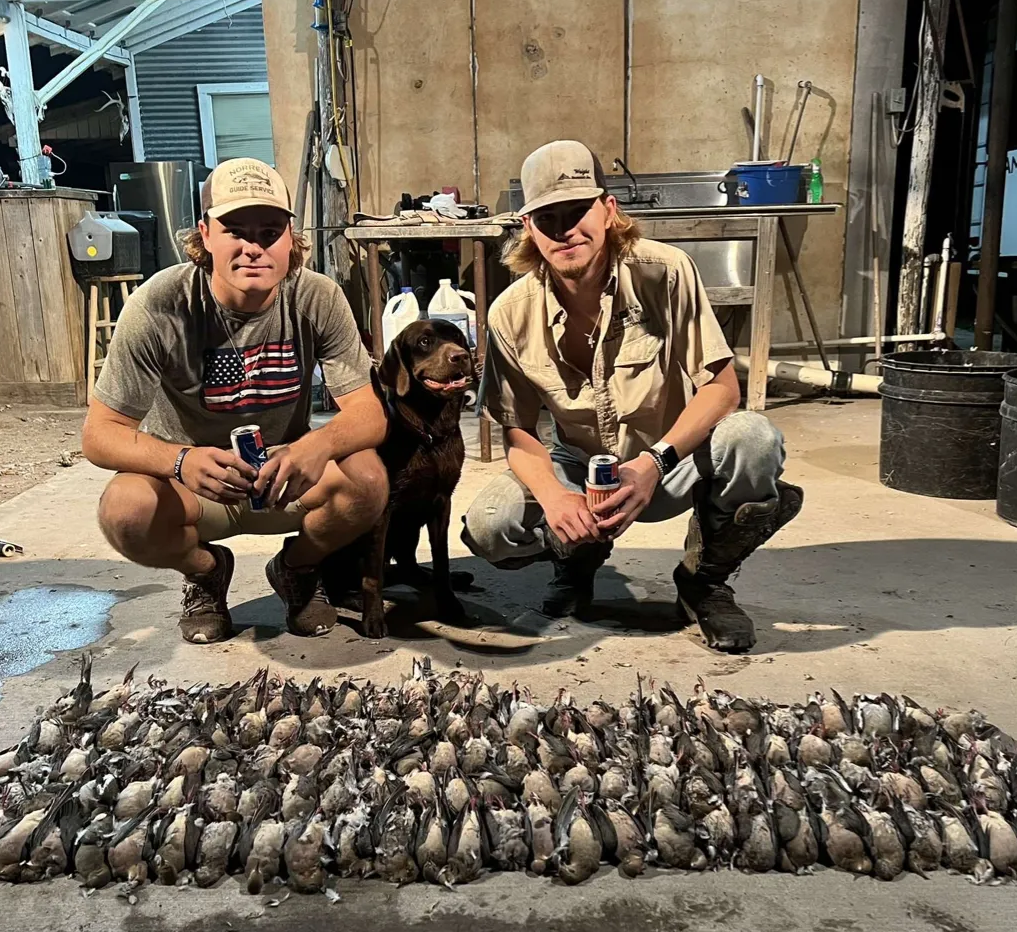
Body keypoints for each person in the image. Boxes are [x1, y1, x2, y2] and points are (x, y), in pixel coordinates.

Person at [460, 140, 802, 653]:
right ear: (527, 227)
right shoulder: (510, 312)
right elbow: (517, 430)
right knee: (490, 526)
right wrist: (556, 498)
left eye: (578, 210)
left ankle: (703, 582)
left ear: (609, 209)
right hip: (577, 469)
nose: (565, 229)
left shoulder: (664, 272)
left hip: (669, 462)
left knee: (752, 439)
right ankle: (574, 562)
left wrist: (653, 462)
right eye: (546, 217)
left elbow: (722, 388)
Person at [83, 158, 388, 644]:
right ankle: (205, 572)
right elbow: (99, 435)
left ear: (292, 239)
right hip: (193, 485)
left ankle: (298, 570)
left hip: (283, 478)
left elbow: (369, 413)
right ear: (205, 234)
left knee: (367, 479)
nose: (253, 247)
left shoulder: (318, 298)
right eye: (235, 230)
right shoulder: (159, 304)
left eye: (270, 231)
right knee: (126, 510)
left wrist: (319, 445)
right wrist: (178, 460)